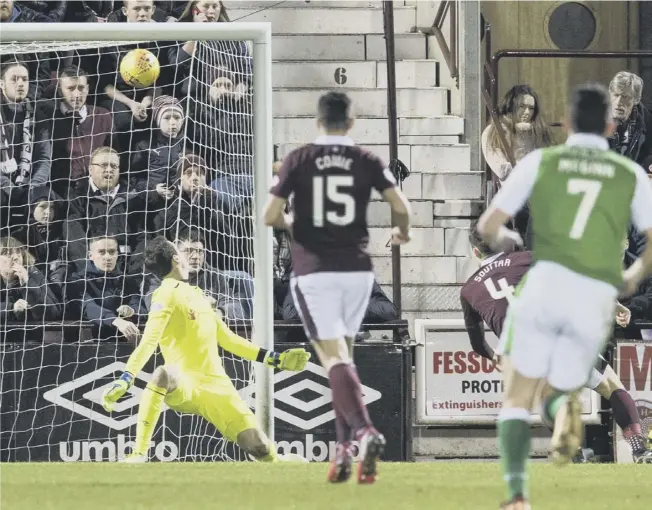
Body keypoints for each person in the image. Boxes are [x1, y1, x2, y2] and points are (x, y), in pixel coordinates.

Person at [477, 84, 652, 509]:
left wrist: (507, 237)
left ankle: (517, 495)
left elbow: (487, 227)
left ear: (568, 124)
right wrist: (630, 278)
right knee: (588, 379)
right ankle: (563, 402)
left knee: (517, 397)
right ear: (609, 125)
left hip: (544, 286)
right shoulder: (628, 174)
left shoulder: (541, 161)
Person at [263, 91, 412, 484]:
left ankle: (364, 431)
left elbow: (270, 215)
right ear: (351, 122)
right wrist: (400, 232)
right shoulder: (366, 159)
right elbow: (401, 208)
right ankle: (344, 453)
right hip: (359, 272)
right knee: (343, 362)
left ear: (318, 122)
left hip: (316, 272)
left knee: (334, 362)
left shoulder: (299, 159)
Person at [101, 236, 311, 462]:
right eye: (182, 251)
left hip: (217, 385)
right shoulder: (165, 293)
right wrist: (126, 378)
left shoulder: (197, 294)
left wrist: (275, 359)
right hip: (185, 382)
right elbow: (149, 341)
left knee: (260, 448)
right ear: (175, 258)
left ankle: (278, 463)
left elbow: (228, 339)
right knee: (163, 373)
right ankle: (138, 453)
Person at [462, 223, 652, 464]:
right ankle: (639, 450)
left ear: (475, 253)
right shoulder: (524, 259)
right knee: (611, 386)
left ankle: (573, 454)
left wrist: (492, 356)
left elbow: (476, 343)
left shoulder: (468, 290)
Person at [482, 85, 553, 249]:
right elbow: (502, 170)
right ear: (511, 105)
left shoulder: (537, 132)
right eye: (522, 106)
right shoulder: (494, 132)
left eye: (531, 108)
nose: (527, 112)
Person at [66, 236, 142, 341]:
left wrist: (132, 310)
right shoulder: (77, 280)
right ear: (90, 255)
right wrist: (115, 320)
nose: (107, 257)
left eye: (112, 252)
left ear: (117, 254)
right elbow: (88, 307)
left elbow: (139, 304)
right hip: (89, 341)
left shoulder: (127, 280)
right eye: (101, 252)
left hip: (123, 340)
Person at [0, 236, 61, 322]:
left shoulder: (33, 274)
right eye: (8, 254)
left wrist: (27, 284)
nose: (16, 257)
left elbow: (53, 312)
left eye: (18, 252)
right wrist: (11, 308)